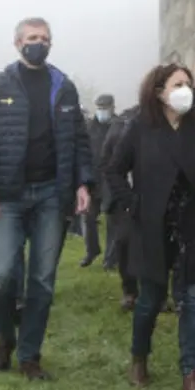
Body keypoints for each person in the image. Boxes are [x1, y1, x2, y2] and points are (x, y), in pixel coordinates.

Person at [0, 17, 93, 381]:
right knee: (4, 273)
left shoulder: (63, 87)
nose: (40, 43)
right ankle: (6, 337)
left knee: (42, 278)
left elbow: (80, 141)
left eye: (45, 38)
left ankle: (29, 355)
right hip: (6, 196)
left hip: (52, 193)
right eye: (33, 38)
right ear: (18, 43)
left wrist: (84, 182)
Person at [106, 62, 195, 390]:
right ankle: (139, 358)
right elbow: (114, 170)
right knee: (150, 300)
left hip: (193, 228)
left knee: (191, 302)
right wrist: (133, 206)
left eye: (188, 83)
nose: (186, 89)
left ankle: (191, 375)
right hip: (154, 229)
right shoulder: (140, 129)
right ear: (160, 91)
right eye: (178, 84)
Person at [99, 104, 141, 311]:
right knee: (125, 243)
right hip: (123, 196)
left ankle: (157, 293)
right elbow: (107, 163)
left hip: (153, 193)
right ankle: (130, 291)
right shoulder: (122, 125)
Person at [81, 94, 116, 268]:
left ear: (112, 107)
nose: (102, 111)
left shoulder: (119, 126)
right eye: (99, 107)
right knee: (88, 218)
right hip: (92, 180)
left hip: (111, 180)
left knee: (112, 220)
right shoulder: (89, 128)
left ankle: (110, 259)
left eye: (105, 107)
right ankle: (92, 250)